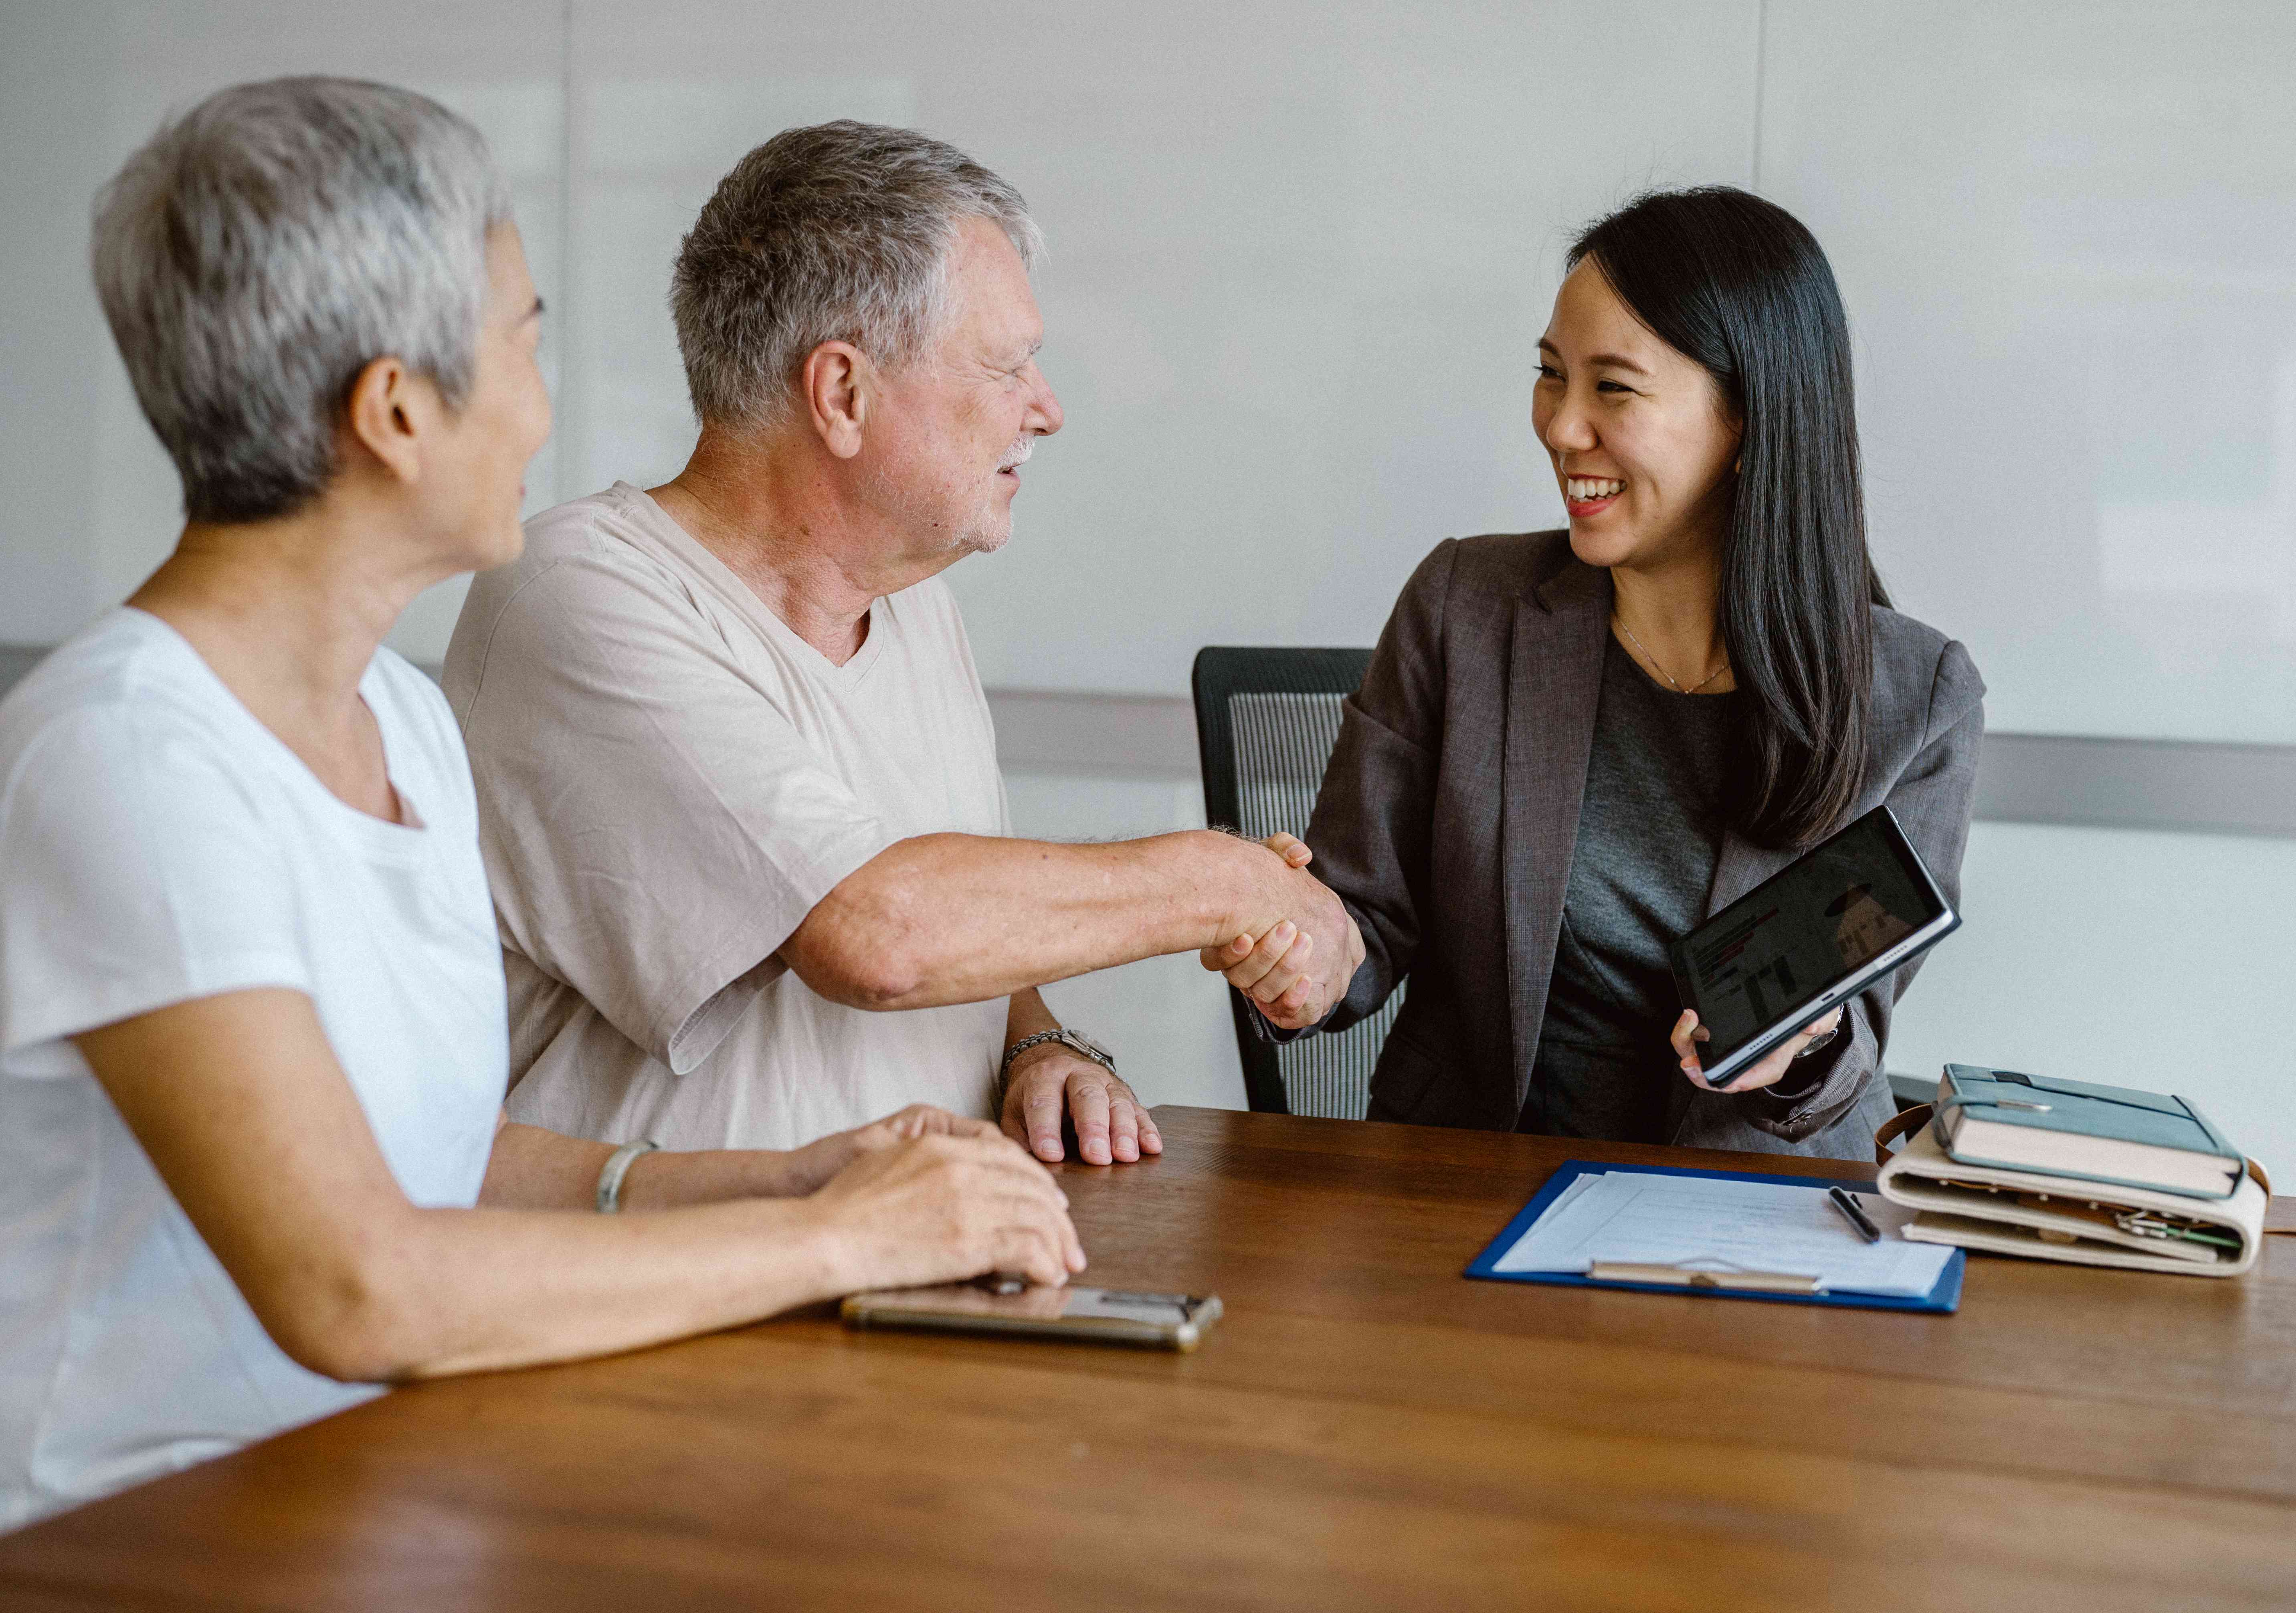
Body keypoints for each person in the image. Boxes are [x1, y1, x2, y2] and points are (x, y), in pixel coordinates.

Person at [0, 78, 1084, 1531]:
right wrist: (833, 1233)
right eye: (521, 340)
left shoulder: (400, 723)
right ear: (392, 411)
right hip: (138, 1536)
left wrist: (781, 1175)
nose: (543, 407)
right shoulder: (131, 759)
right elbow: (362, 1281)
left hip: (381, 1491)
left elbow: (446, 1158)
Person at [441, 122, 1358, 1167]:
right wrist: (1230, 882)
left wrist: (1038, 1044)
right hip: (679, 1295)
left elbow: (965, 914)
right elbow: (874, 933)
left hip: (921, 1256)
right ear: (842, 393)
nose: (1046, 410)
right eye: (1008, 366)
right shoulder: (576, 596)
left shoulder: (914, 600)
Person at [1226, 187, 1985, 1159]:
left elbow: (1851, 1036)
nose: (1560, 426)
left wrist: (1800, 1047)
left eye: (1613, 388)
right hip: (1469, 1184)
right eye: (1551, 376)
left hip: (1746, 1219)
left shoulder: (1916, 698)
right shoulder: (1466, 604)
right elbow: (1361, 914)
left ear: (1749, 417)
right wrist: (1310, 955)